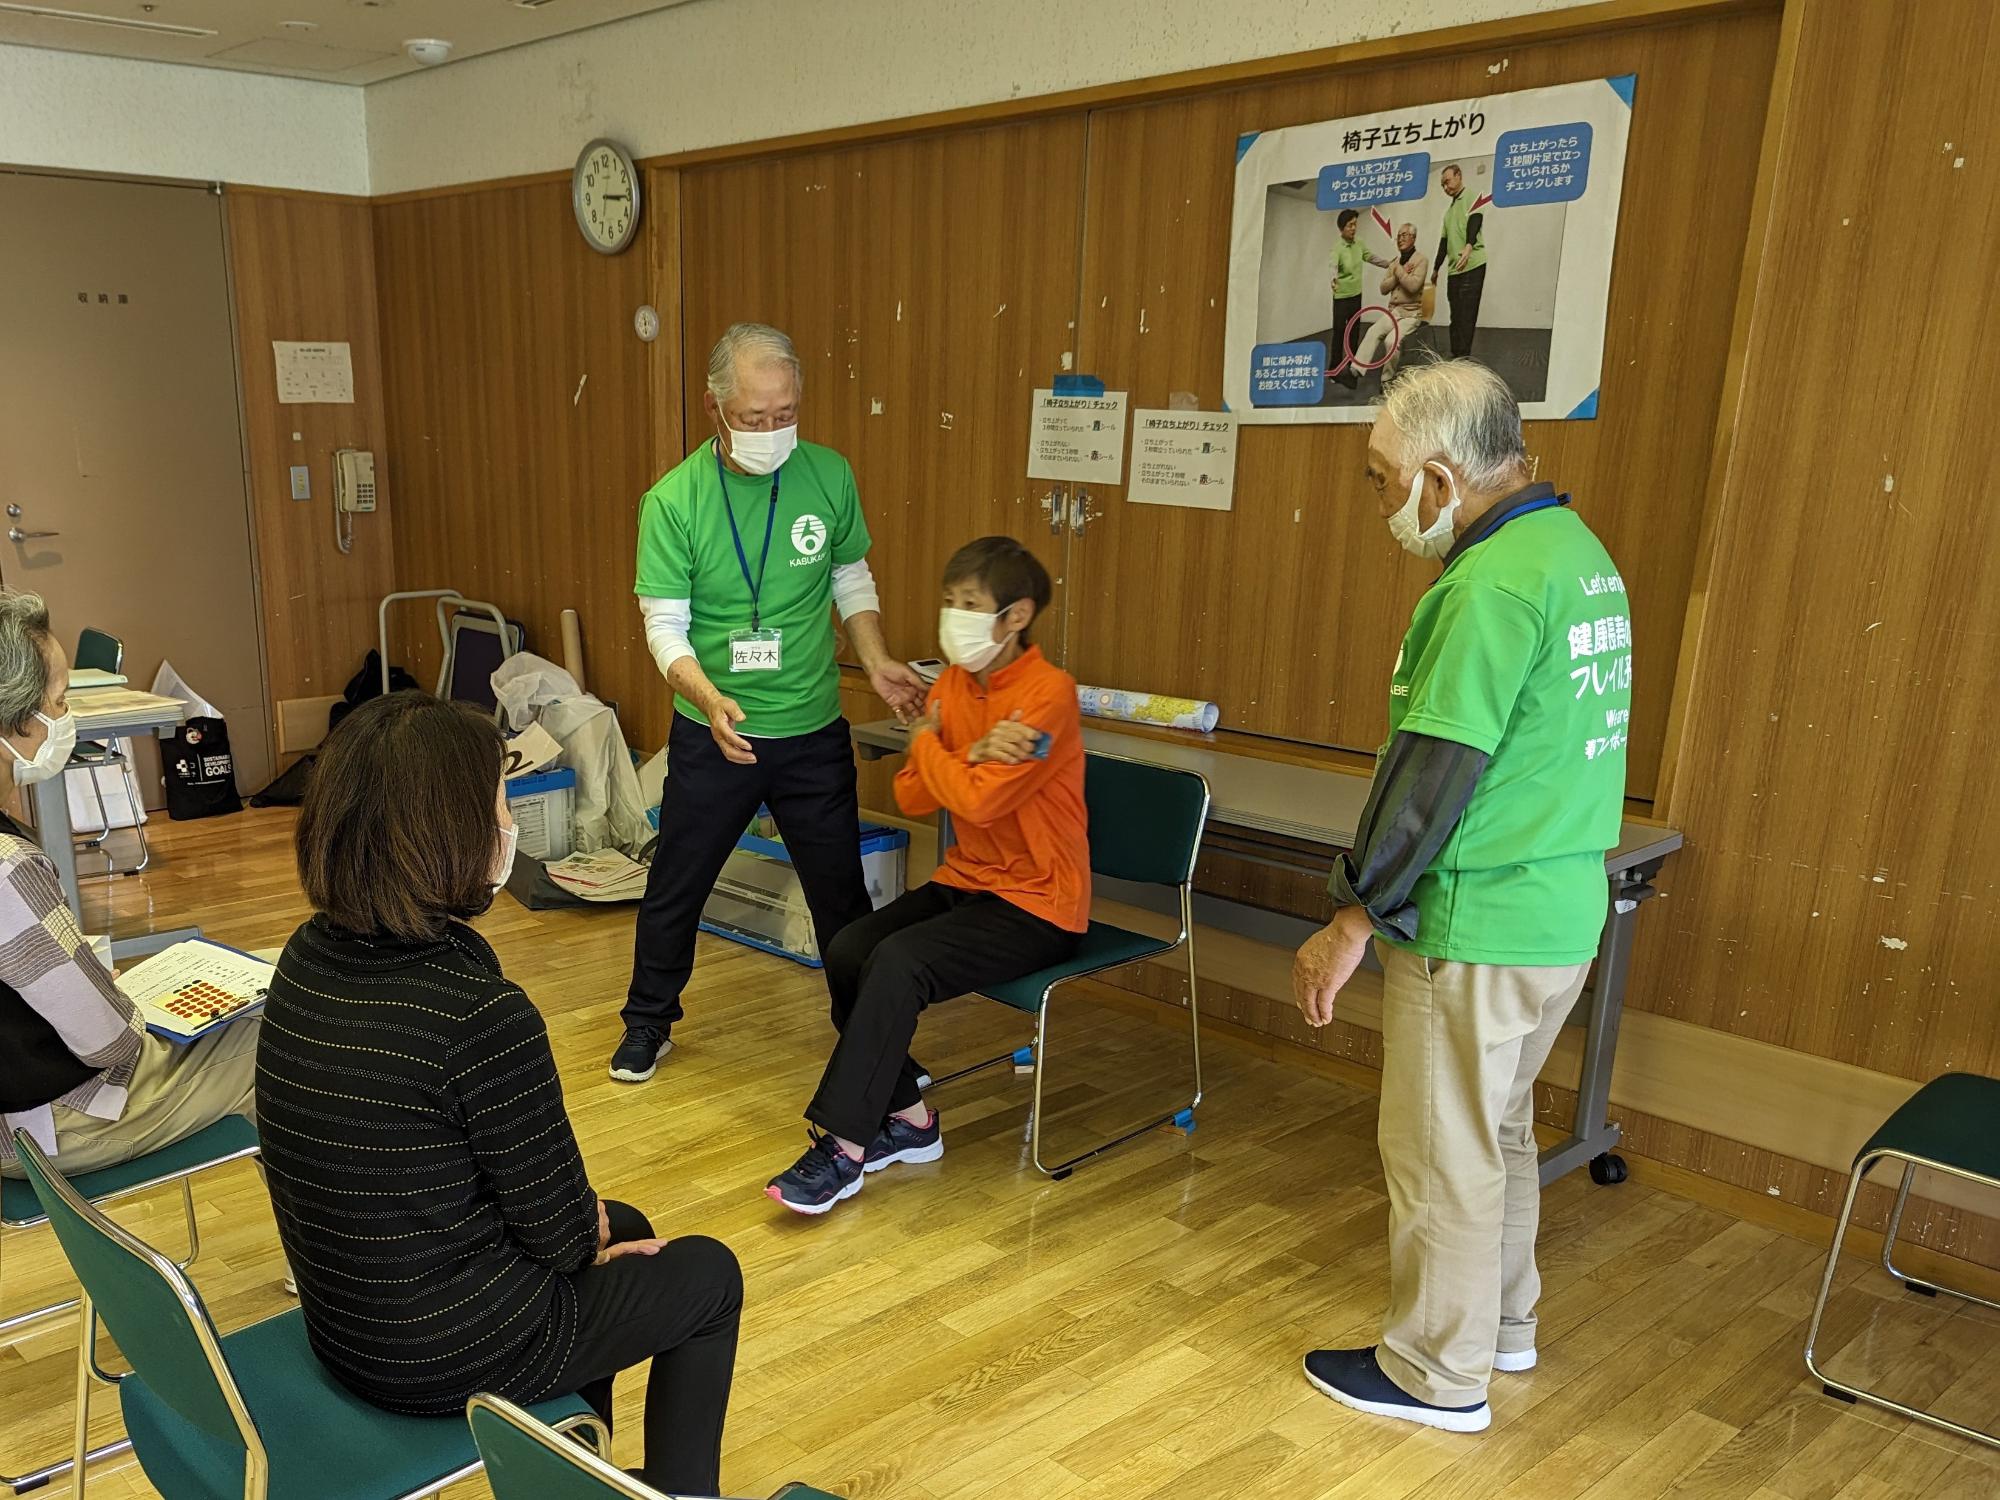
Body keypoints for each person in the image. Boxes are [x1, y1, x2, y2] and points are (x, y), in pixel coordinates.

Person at [257, 692, 741, 1494]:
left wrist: (587, 1228)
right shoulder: (479, 1015)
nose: (509, 823)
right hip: (442, 1355)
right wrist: (583, 1230)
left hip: (344, 1323)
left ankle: (576, 1472)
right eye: (500, 804)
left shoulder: (306, 954)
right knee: (709, 1276)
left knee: (627, 1227)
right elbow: (559, 1236)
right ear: (451, 833)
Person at [1289, 360, 1631, 1434]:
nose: (1380, 497)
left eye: (1381, 477)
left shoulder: (1487, 588)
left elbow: (1431, 776)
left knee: (1441, 1153)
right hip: (1559, 915)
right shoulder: (1575, 554)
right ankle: (1503, 1326)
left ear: (1439, 478)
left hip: (1475, 924)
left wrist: (1352, 915)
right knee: (1500, 1133)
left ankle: (1435, 1372)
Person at [618, 322, 927, 1083]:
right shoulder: (674, 501)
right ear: (714, 408)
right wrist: (708, 697)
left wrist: (877, 660)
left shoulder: (828, 473)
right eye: (754, 417)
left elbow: (850, 577)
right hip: (715, 732)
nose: (771, 430)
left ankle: (866, 1038)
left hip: (813, 731)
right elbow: (665, 626)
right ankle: (648, 1022)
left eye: (784, 413)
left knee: (841, 899)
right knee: (677, 886)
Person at [765, 538, 1087, 1215]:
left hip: (1038, 904)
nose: (953, 615)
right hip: (968, 880)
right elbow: (913, 794)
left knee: (900, 961)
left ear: (1016, 616)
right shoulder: (951, 688)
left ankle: (845, 1148)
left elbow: (978, 802)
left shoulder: (1048, 696)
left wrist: (931, 746)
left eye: (970, 603)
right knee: (850, 947)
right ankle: (910, 1120)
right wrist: (964, 750)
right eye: (949, 600)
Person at [0, 590, 262, 1182]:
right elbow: (111, 1043)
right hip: (47, 1127)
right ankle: (343, 1236)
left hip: (25, 1104)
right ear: (17, 721)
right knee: (293, 1032)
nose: (65, 718)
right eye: (59, 703)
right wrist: (121, 1004)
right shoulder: (8, 869)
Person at [1350, 224, 1430, 390]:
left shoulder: (1421, 260)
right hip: (1394, 312)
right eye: (1399, 236)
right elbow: (1383, 288)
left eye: (1404, 235)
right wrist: (1399, 274)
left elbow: (1413, 286)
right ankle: (1355, 371)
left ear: (1413, 238)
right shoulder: (1395, 262)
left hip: (1411, 315)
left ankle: (1387, 379)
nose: (1400, 239)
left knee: (1391, 341)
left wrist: (1398, 271)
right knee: (1373, 331)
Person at [1328, 208, 1390, 389]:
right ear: (1342, 228)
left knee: (1354, 333)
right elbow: (1333, 266)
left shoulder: (1359, 243)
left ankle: (1352, 368)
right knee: (1339, 333)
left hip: (1356, 295)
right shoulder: (1337, 248)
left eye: (1355, 224)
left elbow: (1370, 257)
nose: (1354, 228)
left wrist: (1388, 264)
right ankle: (1334, 370)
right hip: (1341, 297)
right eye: (1350, 225)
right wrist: (1333, 279)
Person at [1431, 164, 1488, 359]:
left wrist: (1469, 245)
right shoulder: (1448, 213)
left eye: (1447, 182)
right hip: (1454, 270)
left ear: (1458, 176)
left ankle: (1463, 358)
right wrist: (1436, 268)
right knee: (1455, 315)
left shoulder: (1472, 197)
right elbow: (1444, 242)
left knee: (1466, 315)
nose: (1445, 187)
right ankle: (1456, 355)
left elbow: (1475, 221)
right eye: (1442, 185)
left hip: (1473, 265)